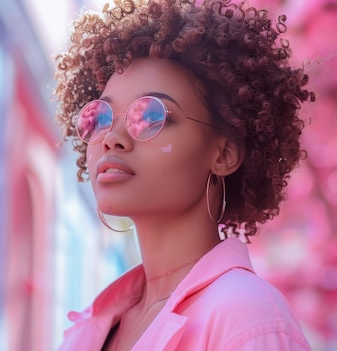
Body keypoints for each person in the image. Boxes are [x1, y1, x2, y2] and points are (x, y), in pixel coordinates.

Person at [52, 0, 314, 349]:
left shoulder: (247, 317)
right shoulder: (94, 324)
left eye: (151, 116)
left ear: (224, 153)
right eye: (99, 117)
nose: (111, 138)